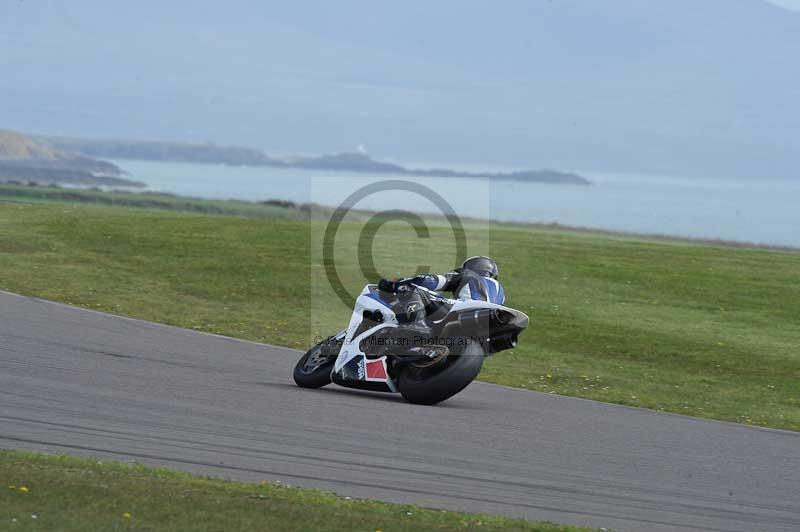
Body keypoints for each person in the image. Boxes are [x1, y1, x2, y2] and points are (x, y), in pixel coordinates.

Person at [375, 256, 505, 352]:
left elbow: (431, 281)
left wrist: (395, 284)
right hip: (486, 326)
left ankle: (417, 325)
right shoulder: (501, 292)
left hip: (466, 309)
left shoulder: (467, 274)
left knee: (411, 288)